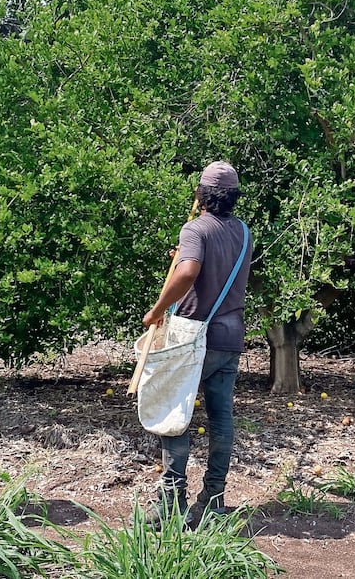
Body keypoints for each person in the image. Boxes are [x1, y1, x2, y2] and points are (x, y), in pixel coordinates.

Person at [141, 161, 253, 524]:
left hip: (193, 336)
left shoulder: (195, 229)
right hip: (230, 336)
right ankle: (214, 497)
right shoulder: (243, 231)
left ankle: (170, 501)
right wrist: (185, 258)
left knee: (175, 413)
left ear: (200, 195)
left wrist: (156, 310)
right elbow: (212, 267)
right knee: (221, 418)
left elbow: (190, 272)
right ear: (234, 197)